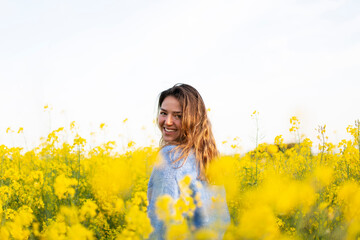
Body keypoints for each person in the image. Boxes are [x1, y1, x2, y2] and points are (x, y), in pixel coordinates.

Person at [147, 84, 230, 239]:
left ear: (193, 120)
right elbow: (222, 221)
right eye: (163, 113)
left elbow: (160, 226)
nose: (168, 122)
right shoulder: (209, 160)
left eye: (178, 115)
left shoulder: (171, 157)